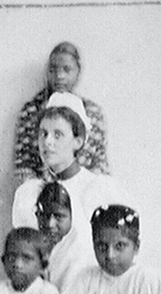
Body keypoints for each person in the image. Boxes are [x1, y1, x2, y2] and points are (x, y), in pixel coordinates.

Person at [12, 98, 133, 243]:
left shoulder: (99, 188)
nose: (47, 142)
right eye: (43, 134)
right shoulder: (29, 192)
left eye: (58, 135)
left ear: (78, 142)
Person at [14, 42, 108, 181]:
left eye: (66, 69)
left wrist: (86, 192)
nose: (59, 76)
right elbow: (23, 166)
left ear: (78, 71)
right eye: (53, 69)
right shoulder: (31, 112)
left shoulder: (92, 114)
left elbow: (99, 164)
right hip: (43, 193)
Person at [34, 181, 96, 294]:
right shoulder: (37, 245)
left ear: (73, 216)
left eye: (58, 216)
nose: (50, 224)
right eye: (44, 215)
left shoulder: (80, 253)